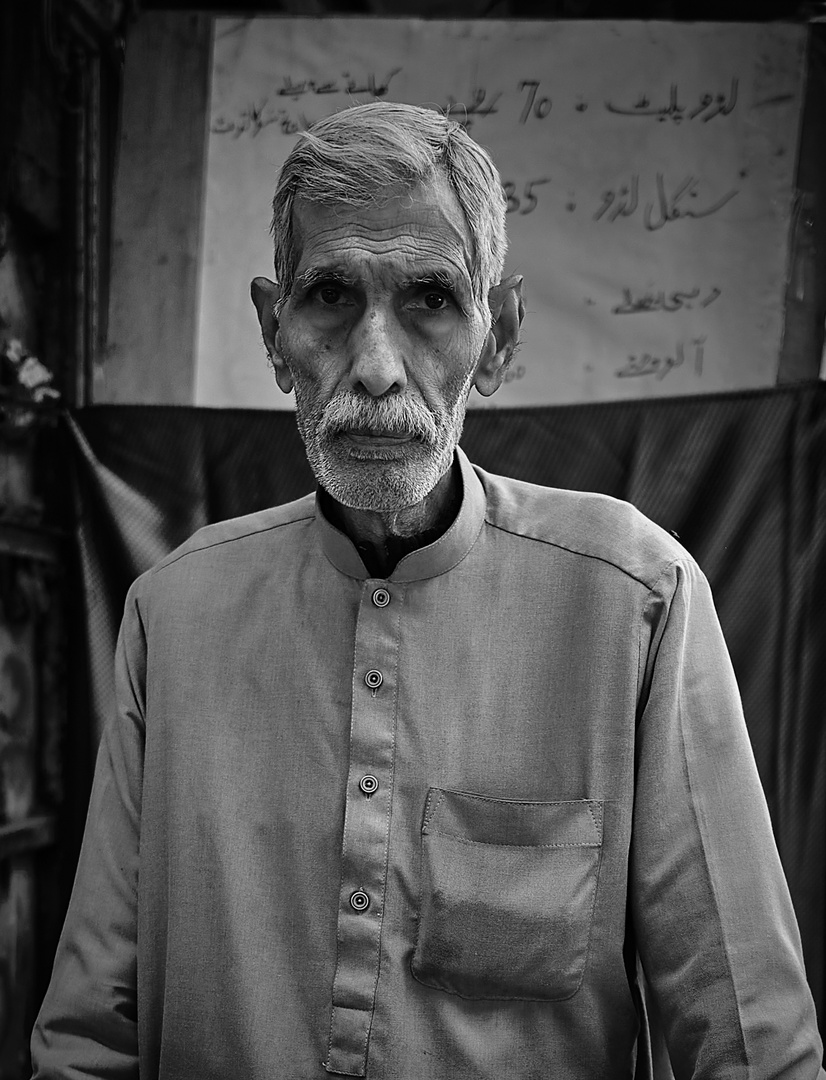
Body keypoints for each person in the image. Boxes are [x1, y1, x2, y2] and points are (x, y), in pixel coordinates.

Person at [32, 101, 824, 1080]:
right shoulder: (176, 613)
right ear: (274, 331)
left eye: (430, 300)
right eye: (328, 297)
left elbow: (751, 1046)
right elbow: (84, 1039)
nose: (372, 367)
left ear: (497, 337)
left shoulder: (635, 603)